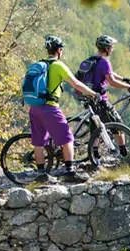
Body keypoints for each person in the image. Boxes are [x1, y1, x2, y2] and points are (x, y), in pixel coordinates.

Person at [31, 36, 98, 183]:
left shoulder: (38, 64)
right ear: (59, 50)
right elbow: (76, 84)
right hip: (50, 107)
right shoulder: (58, 65)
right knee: (68, 138)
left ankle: (41, 173)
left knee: (38, 142)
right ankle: (70, 171)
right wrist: (93, 93)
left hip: (34, 107)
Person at [82, 35, 130, 157]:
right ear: (106, 48)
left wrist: (123, 78)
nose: (112, 49)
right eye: (111, 47)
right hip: (100, 100)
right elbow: (111, 81)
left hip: (90, 98)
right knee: (117, 123)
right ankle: (124, 153)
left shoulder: (94, 59)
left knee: (95, 127)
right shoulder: (105, 62)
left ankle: (94, 154)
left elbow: (110, 73)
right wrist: (127, 86)